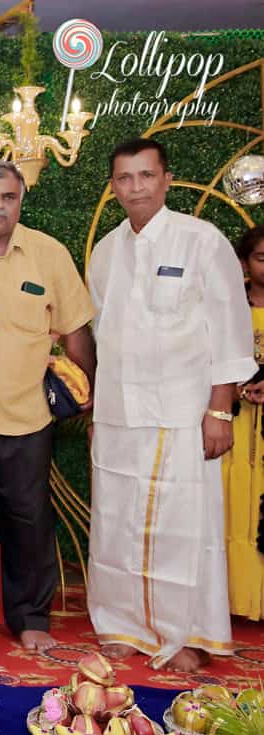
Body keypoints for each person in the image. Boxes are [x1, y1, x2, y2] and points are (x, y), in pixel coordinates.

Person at [88, 138, 254, 672]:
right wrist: (96, 412)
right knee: (116, 523)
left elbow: (230, 332)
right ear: (113, 187)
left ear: (167, 179)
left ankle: (182, 632)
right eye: (124, 178)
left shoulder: (201, 242)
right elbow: (101, 335)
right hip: (117, 413)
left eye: (145, 175)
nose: (135, 187)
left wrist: (220, 410)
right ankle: (122, 624)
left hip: (183, 413)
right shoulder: (106, 251)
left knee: (181, 528)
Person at [0, 160, 96, 652]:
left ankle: (31, 617)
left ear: (20, 202)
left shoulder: (48, 254)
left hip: (26, 413)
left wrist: (87, 397)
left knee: (28, 520)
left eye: (8, 197)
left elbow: (77, 332)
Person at [224, 225, 264, 620]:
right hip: (233, 429)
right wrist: (237, 391)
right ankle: (233, 601)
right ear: (243, 264)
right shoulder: (227, 309)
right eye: (261, 258)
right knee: (232, 505)